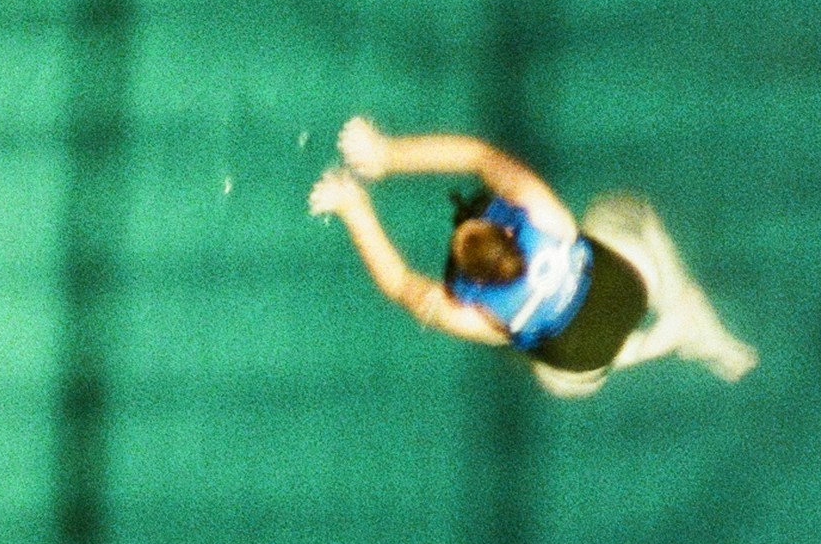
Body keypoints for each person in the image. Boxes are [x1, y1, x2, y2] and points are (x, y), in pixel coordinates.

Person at [311, 117, 756, 394]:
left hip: (587, 355)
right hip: (628, 287)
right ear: (508, 228)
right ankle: (689, 315)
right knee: (619, 210)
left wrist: (354, 207)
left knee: (556, 376)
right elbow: (480, 157)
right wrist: (387, 154)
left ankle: (654, 346)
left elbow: (400, 283)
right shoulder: (542, 214)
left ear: (472, 288)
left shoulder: (480, 317)